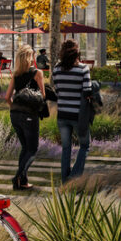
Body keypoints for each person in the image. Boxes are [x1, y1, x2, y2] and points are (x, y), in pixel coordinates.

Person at [50, 39, 96, 181]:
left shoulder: (56, 69)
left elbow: (57, 90)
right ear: (77, 53)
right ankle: (74, 177)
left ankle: (65, 180)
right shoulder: (83, 69)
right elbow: (87, 91)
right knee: (85, 146)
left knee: (66, 148)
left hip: (62, 114)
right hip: (78, 115)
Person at [6, 45, 48, 190]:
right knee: (33, 149)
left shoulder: (16, 74)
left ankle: (22, 182)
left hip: (14, 114)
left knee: (25, 148)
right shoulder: (37, 73)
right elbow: (42, 96)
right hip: (29, 115)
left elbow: (7, 97)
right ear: (30, 58)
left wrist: (15, 108)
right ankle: (18, 176)